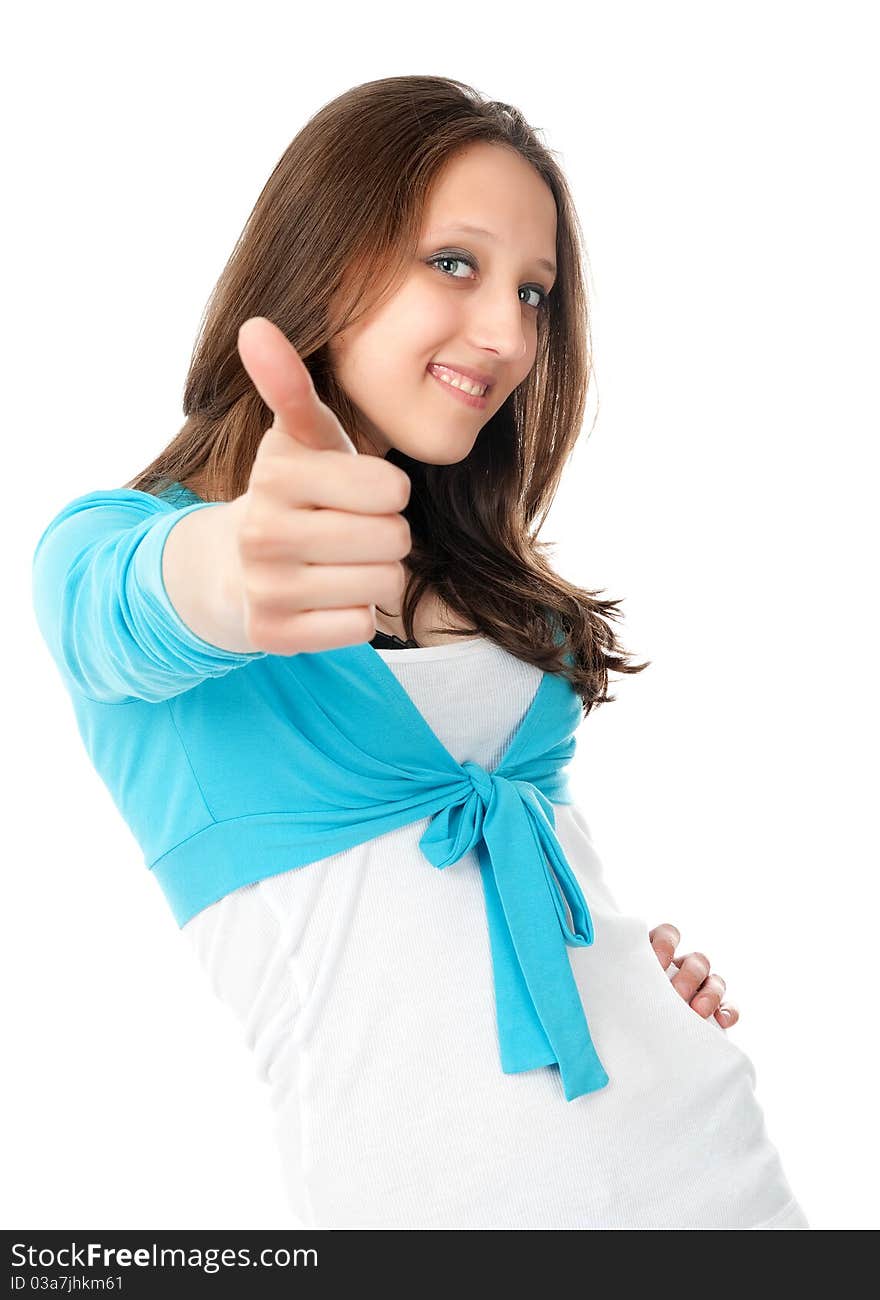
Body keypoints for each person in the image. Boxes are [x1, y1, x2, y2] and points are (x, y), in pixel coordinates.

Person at [30, 75, 809, 1230]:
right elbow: (133, 611)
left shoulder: (489, 582)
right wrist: (233, 565)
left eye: (534, 291)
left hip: (709, 1168)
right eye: (455, 262)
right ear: (321, 255)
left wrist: (621, 961)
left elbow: (515, 877)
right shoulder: (108, 548)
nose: (507, 333)